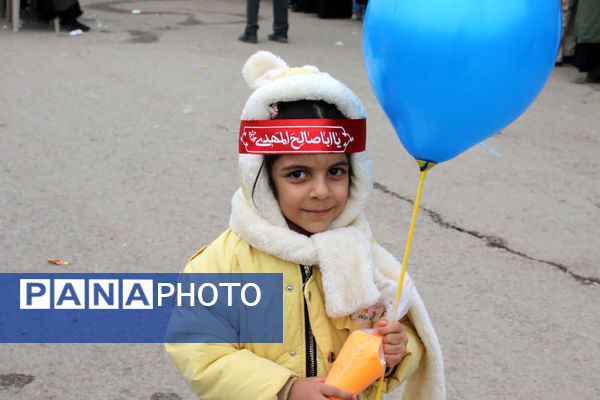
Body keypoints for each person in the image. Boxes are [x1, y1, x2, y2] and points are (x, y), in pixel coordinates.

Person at [165, 51, 445, 400]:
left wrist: (396, 353)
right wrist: (286, 389)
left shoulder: (363, 255)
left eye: (336, 172)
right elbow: (199, 348)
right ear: (265, 179)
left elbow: (397, 327)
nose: (321, 191)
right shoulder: (224, 264)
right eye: (298, 174)